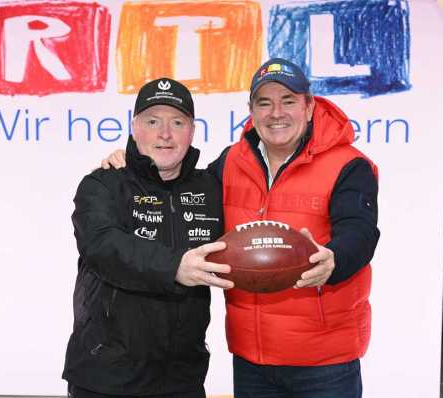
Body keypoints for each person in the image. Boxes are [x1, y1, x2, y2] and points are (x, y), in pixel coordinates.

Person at [102, 58, 380, 398]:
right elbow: (178, 189)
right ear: (251, 110)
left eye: (288, 100)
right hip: (251, 358)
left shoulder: (348, 165)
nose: (276, 112)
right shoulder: (232, 161)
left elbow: (360, 231)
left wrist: (335, 258)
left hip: (324, 361)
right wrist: (133, 163)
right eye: (264, 102)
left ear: (309, 107)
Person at [62, 77, 234, 398]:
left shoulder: (211, 188)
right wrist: (175, 267)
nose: (165, 134)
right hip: (106, 380)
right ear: (134, 127)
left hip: (182, 380)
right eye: (153, 121)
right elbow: (103, 246)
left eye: (177, 122)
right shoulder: (102, 185)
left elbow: (270, 134)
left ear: (192, 131)